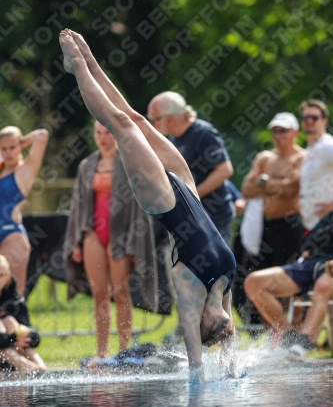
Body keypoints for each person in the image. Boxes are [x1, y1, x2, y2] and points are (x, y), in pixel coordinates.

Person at [59, 29, 236, 376]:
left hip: (165, 203)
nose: (225, 325)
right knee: (137, 118)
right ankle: (90, 58)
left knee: (121, 125)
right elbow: (230, 345)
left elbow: (195, 354)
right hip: (190, 192)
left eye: (217, 326)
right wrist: (231, 367)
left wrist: (203, 370)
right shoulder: (226, 285)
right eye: (226, 326)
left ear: (206, 321)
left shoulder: (192, 291)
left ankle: (78, 65)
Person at [64, 121, 158, 358]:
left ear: (115, 135)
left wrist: (135, 242)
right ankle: (102, 353)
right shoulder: (86, 166)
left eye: (107, 132)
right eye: (98, 132)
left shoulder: (128, 164)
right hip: (93, 234)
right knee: (99, 294)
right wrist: (76, 241)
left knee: (120, 292)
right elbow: (77, 207)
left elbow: (139, 206)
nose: (102, 137)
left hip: (122, 236)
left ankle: (124, 351)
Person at [239, 113, 305, 324]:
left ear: (295, 132)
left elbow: (291, 190)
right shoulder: (264, 157)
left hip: (291, 225)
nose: (279, 135)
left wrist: (263, 181)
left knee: (291, 282)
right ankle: (274, 336)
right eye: (275, 130)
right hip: (265, 226)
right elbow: (247, 189)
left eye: (283, 130)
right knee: (263, 280)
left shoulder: (302, 158)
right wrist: (274, 183)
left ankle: (295, 333)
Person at [147, 93, 234, 244]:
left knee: (214, 267)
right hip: (191, 218)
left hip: (214, 216)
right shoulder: (173, 138)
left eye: (154, 120)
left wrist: (192, 197)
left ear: (170, 119)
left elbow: (224, 170)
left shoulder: (202, 132)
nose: (151, 125)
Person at [244, 211, 333, 359]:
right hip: (309, 265)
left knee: (323, 284)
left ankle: (303, 343)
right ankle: (288, 337)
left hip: (329, 271)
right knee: (253, 282)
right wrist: (307, 251)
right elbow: (309, 240)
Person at [0, 125, 49, 296]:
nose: (9, 152)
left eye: (12, 147)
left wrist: (21, 142)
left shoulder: (25, 170)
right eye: (4, 149)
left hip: (11, 235)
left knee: (13, 294)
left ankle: (17, 323)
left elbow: (42, 136)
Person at [0, 254, 47, 374]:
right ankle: (23, 364)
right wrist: (13, 338)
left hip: (9, 354)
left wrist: (27, 337)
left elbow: (28, 328)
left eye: (0, 275)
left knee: (10, 321)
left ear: (7, 278)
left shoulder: (14, 300)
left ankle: (40, 366)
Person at [298, 100, 333, 231]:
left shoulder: (328, 146)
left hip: (328, 225)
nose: (309, 121)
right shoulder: (310, 150)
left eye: (314, 117)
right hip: (312, 226)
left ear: (324, 121)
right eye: (305, 117)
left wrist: (331, 206)